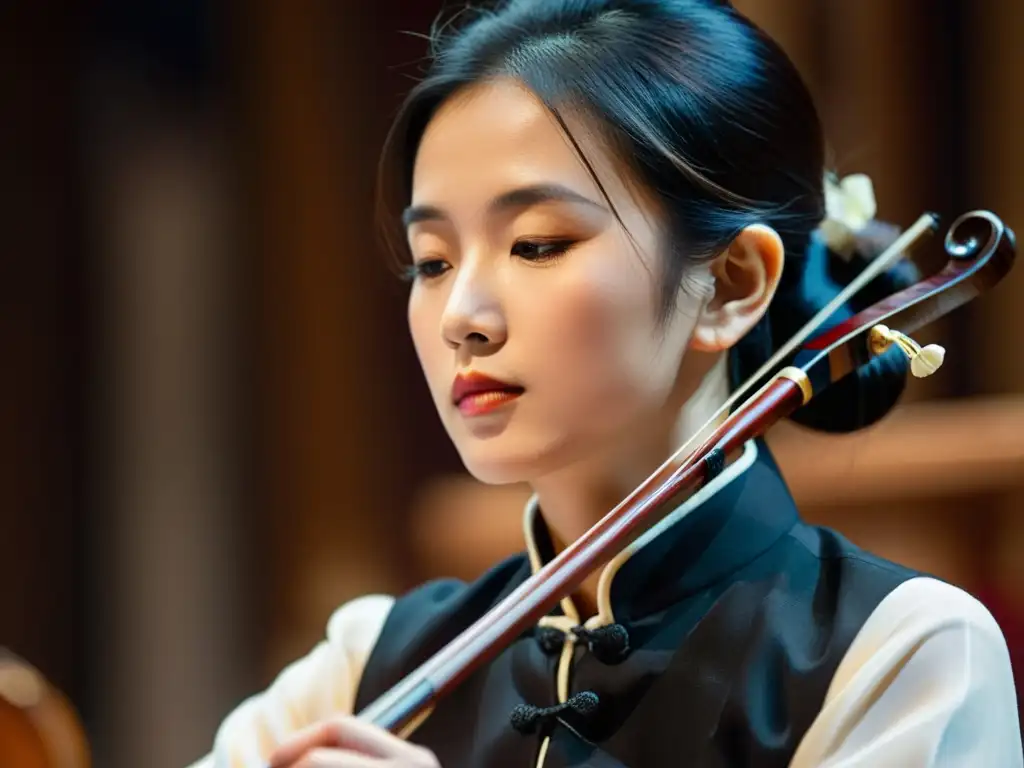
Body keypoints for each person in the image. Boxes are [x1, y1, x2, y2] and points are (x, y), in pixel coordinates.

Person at [191, 1, 1023, 765]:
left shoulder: (901, 654)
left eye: (538, 243)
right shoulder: (359, 667)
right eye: (433, 260)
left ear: (732, 283)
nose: (461, 317)